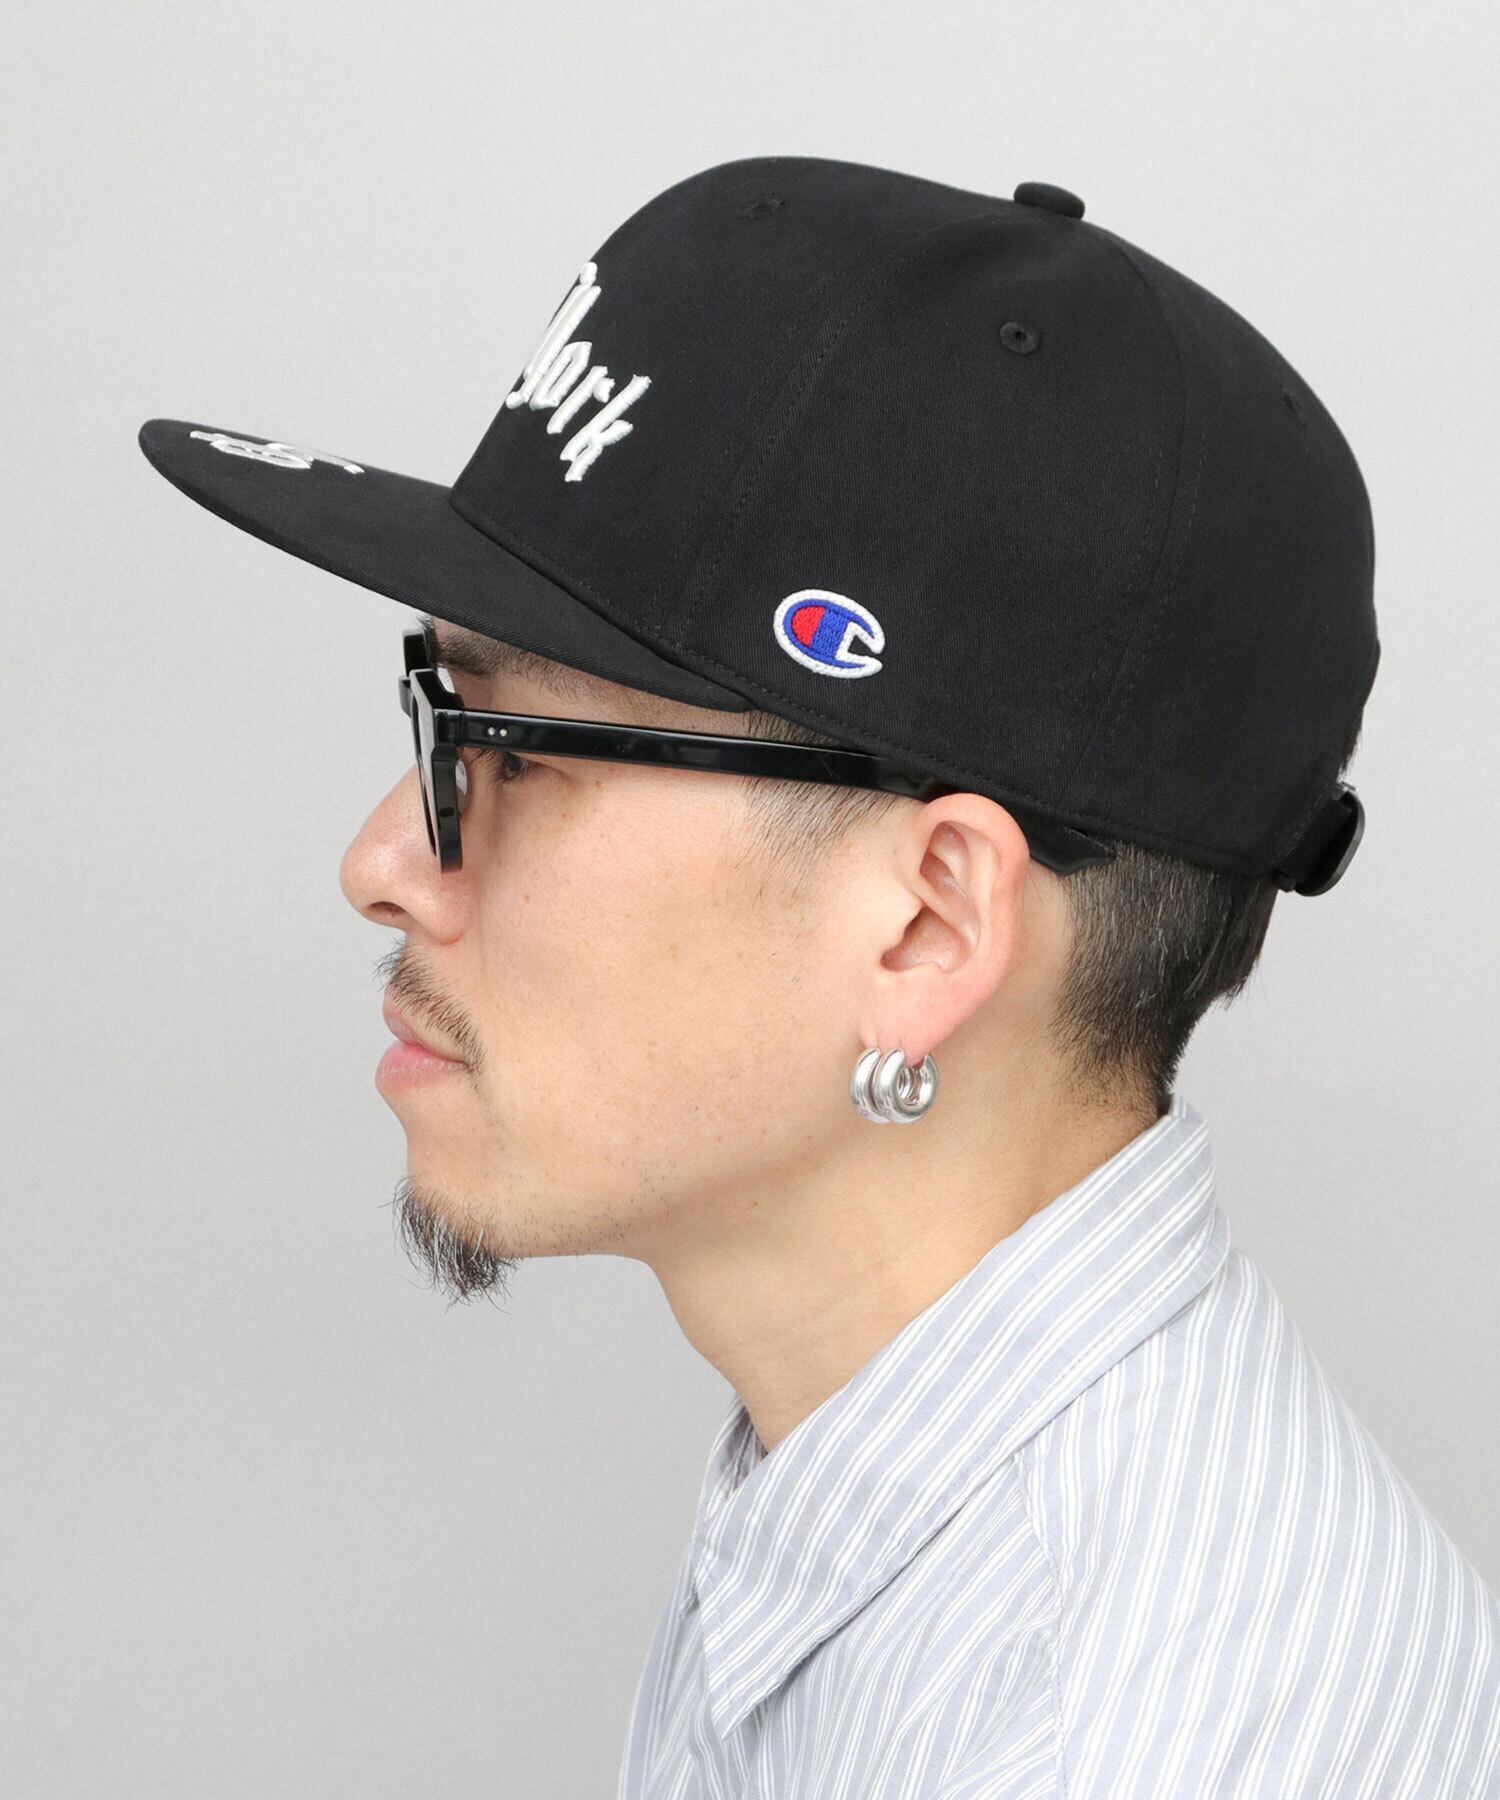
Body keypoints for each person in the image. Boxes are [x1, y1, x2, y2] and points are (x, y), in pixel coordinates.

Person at [138, 155, 1500, 1797]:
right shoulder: (889, 1496)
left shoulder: (1118, 1740)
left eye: (514, 750)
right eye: (438, 717)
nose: (385, 861)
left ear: (927, 926)